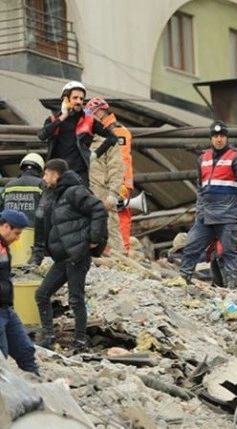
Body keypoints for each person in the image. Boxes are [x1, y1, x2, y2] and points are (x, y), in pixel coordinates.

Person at [35, 159, 108, 354]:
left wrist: (93, 239)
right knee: (42, 294)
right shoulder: (55, 195)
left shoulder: (74, 191)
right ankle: (49, 337)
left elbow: (99, 209)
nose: (44, 178)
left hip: (77, 255)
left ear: (55, 175)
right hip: (62, 258)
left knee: (76, 299)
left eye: (46, 174)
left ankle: (80, 343)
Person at [179, 121, 237, 288]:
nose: (219, 139)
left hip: (228, 216)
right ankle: (182, 281)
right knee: (191, 247)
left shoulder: (236, 158)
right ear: (211, 139)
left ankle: (232, 289)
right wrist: (199, 211)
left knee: (229, 253)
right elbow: (201, 189)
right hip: (206, 216)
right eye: (215, 136)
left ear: (226, 138)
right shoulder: (203, 159)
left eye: (222, 136)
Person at [37, 81, 118, 186]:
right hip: (56, 174)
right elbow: (42, 135)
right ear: (65, 99)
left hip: (79, 174)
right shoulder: (53, 120)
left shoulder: (89, 120)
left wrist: (95, 154)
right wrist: (62, 117)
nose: (79, 101)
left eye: (81, 98)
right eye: (75, 98)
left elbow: (112, 137)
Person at [85, 96, 133, 254]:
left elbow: (121, 161)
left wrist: (119, 187)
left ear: (99, 113)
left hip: (118, 183)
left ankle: (122, 253)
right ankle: (111, 252)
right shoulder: (103, 133)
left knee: (118, 220)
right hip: (113, 183)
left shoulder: (117, 132)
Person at [0, 210, 40, 375]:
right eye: (16, 233)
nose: (18, 238)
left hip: (6, 308)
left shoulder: (4, 247)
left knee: (25, 351)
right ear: (6, 226)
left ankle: (38, 388)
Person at [0, 154, 45, 265]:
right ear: (40, 169)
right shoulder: (41, 185)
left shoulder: (8, 186)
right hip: (34, 235)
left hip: (9, 234)